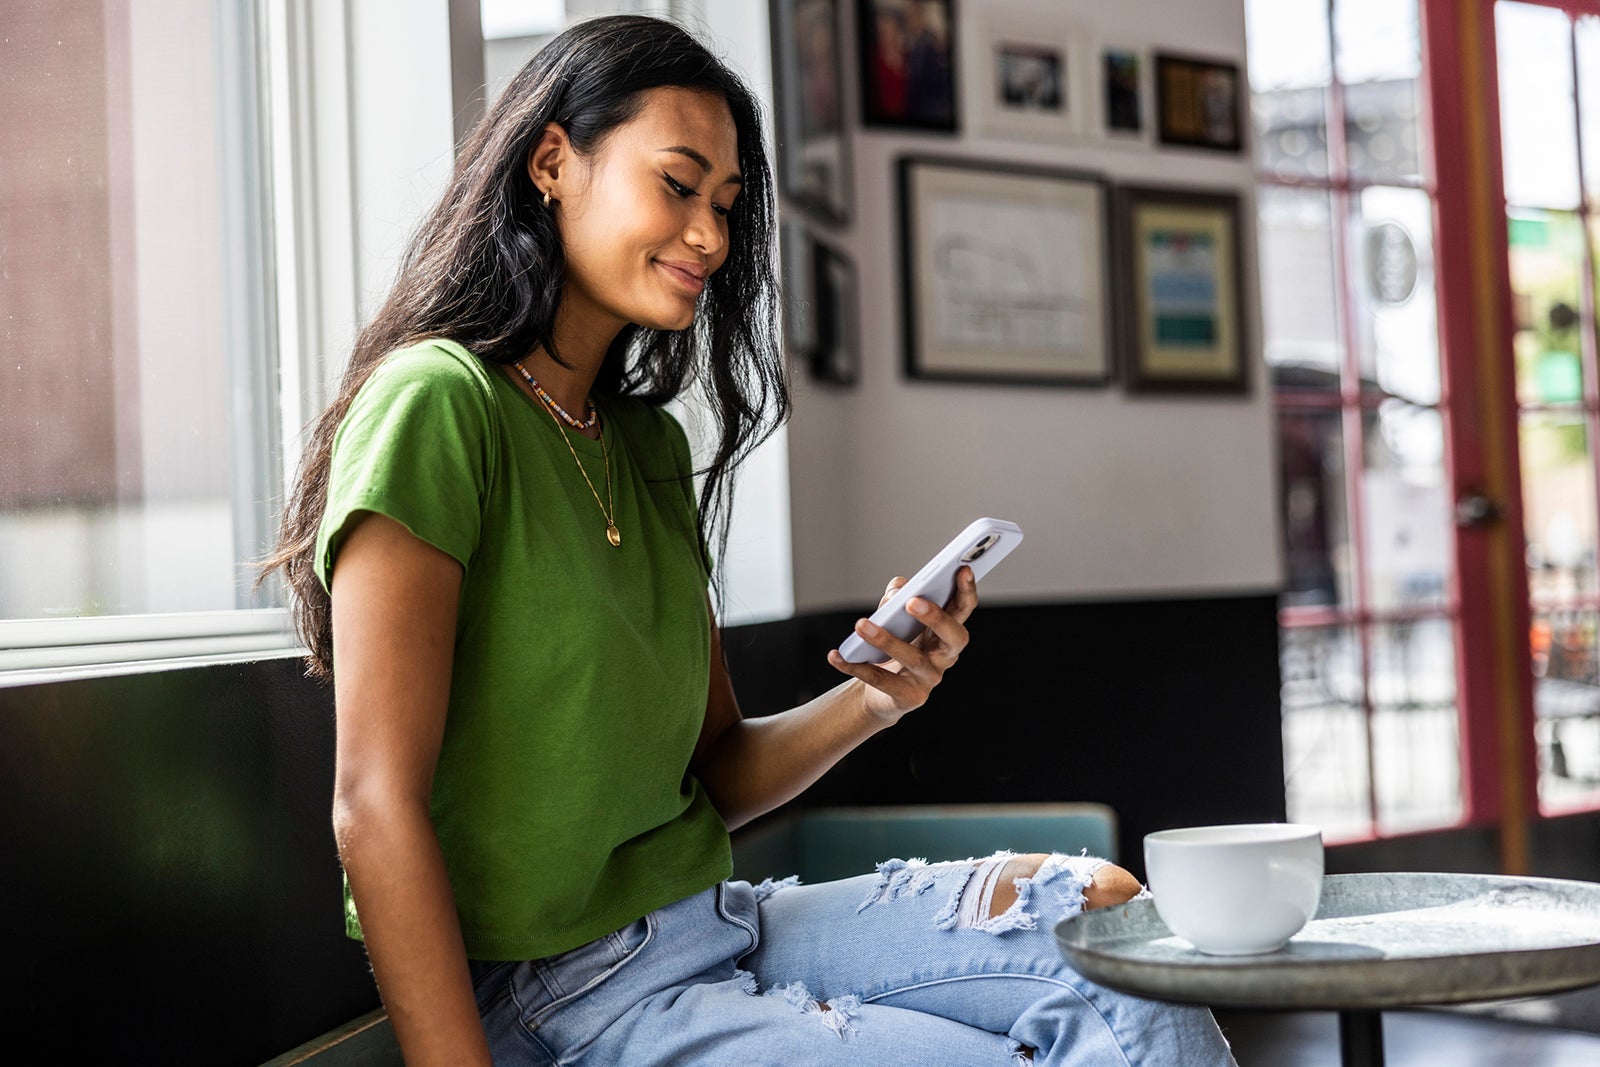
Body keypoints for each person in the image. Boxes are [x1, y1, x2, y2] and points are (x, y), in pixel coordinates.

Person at [263, 14, 1237, 1066]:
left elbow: (715, 771)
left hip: (717, 921)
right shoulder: (436, 403)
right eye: (677, 186)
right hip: (564, 991)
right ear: (553, 160)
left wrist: (875, 695)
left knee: (1111, 919)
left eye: (724, 205)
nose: (712, 237)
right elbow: (372, 802)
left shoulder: (639, 444)